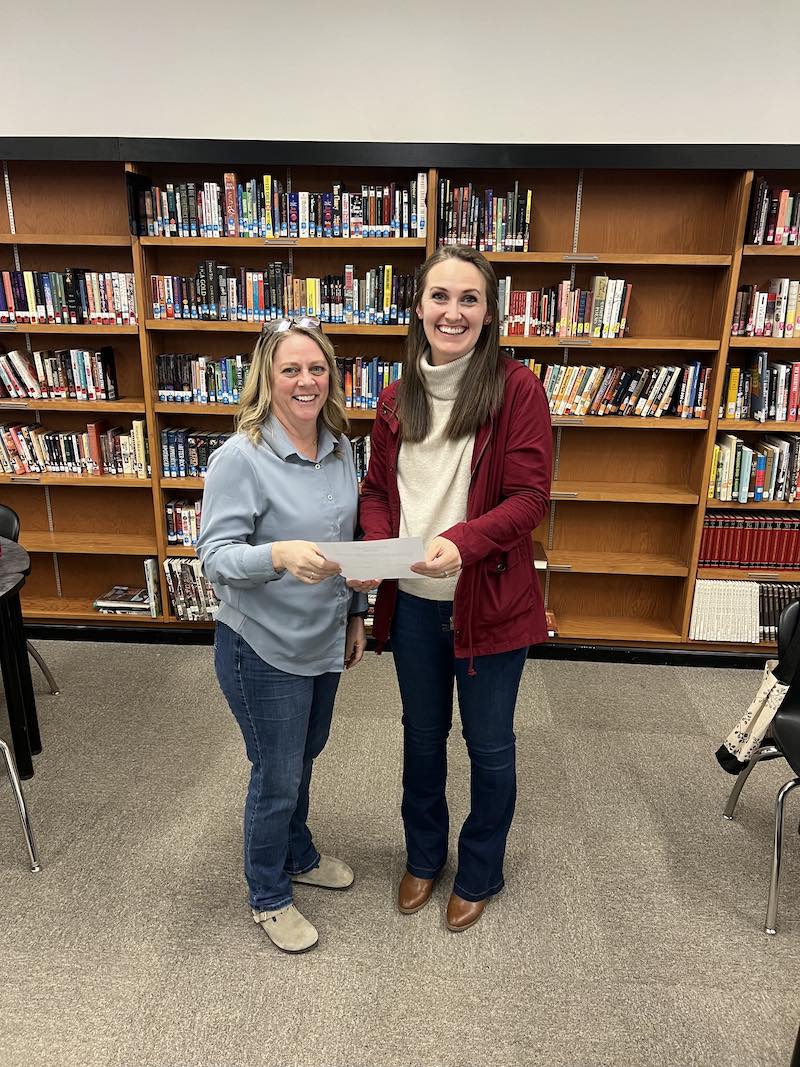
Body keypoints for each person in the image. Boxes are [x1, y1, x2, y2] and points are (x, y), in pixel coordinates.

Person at [357, 245, 552, 931]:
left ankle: (479, 868)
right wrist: (379, 551)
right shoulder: (394, 395)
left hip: (489, 602)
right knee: (421, 737)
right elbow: (379, 490)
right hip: (412, 605)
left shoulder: (517, 389)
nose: (453, 311)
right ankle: (423, 855)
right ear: (418, 306)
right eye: (440, 296)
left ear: (489, 312)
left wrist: (462, 542)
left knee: (490, 745)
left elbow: (529, 498)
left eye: (469, 298)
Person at [196, 316, 368, 954]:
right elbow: (212, 559)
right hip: (261, 647)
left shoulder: (340, 445)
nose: (305, 381)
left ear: (331, 377)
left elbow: (351, 546)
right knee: (277, 773)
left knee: (306, 755)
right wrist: (276, 555)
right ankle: (269, 894)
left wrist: (356, 616)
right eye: (290, 369)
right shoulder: (240, 457)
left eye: (317, 368)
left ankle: (297, 853)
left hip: (323, 637)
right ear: (267, 378)